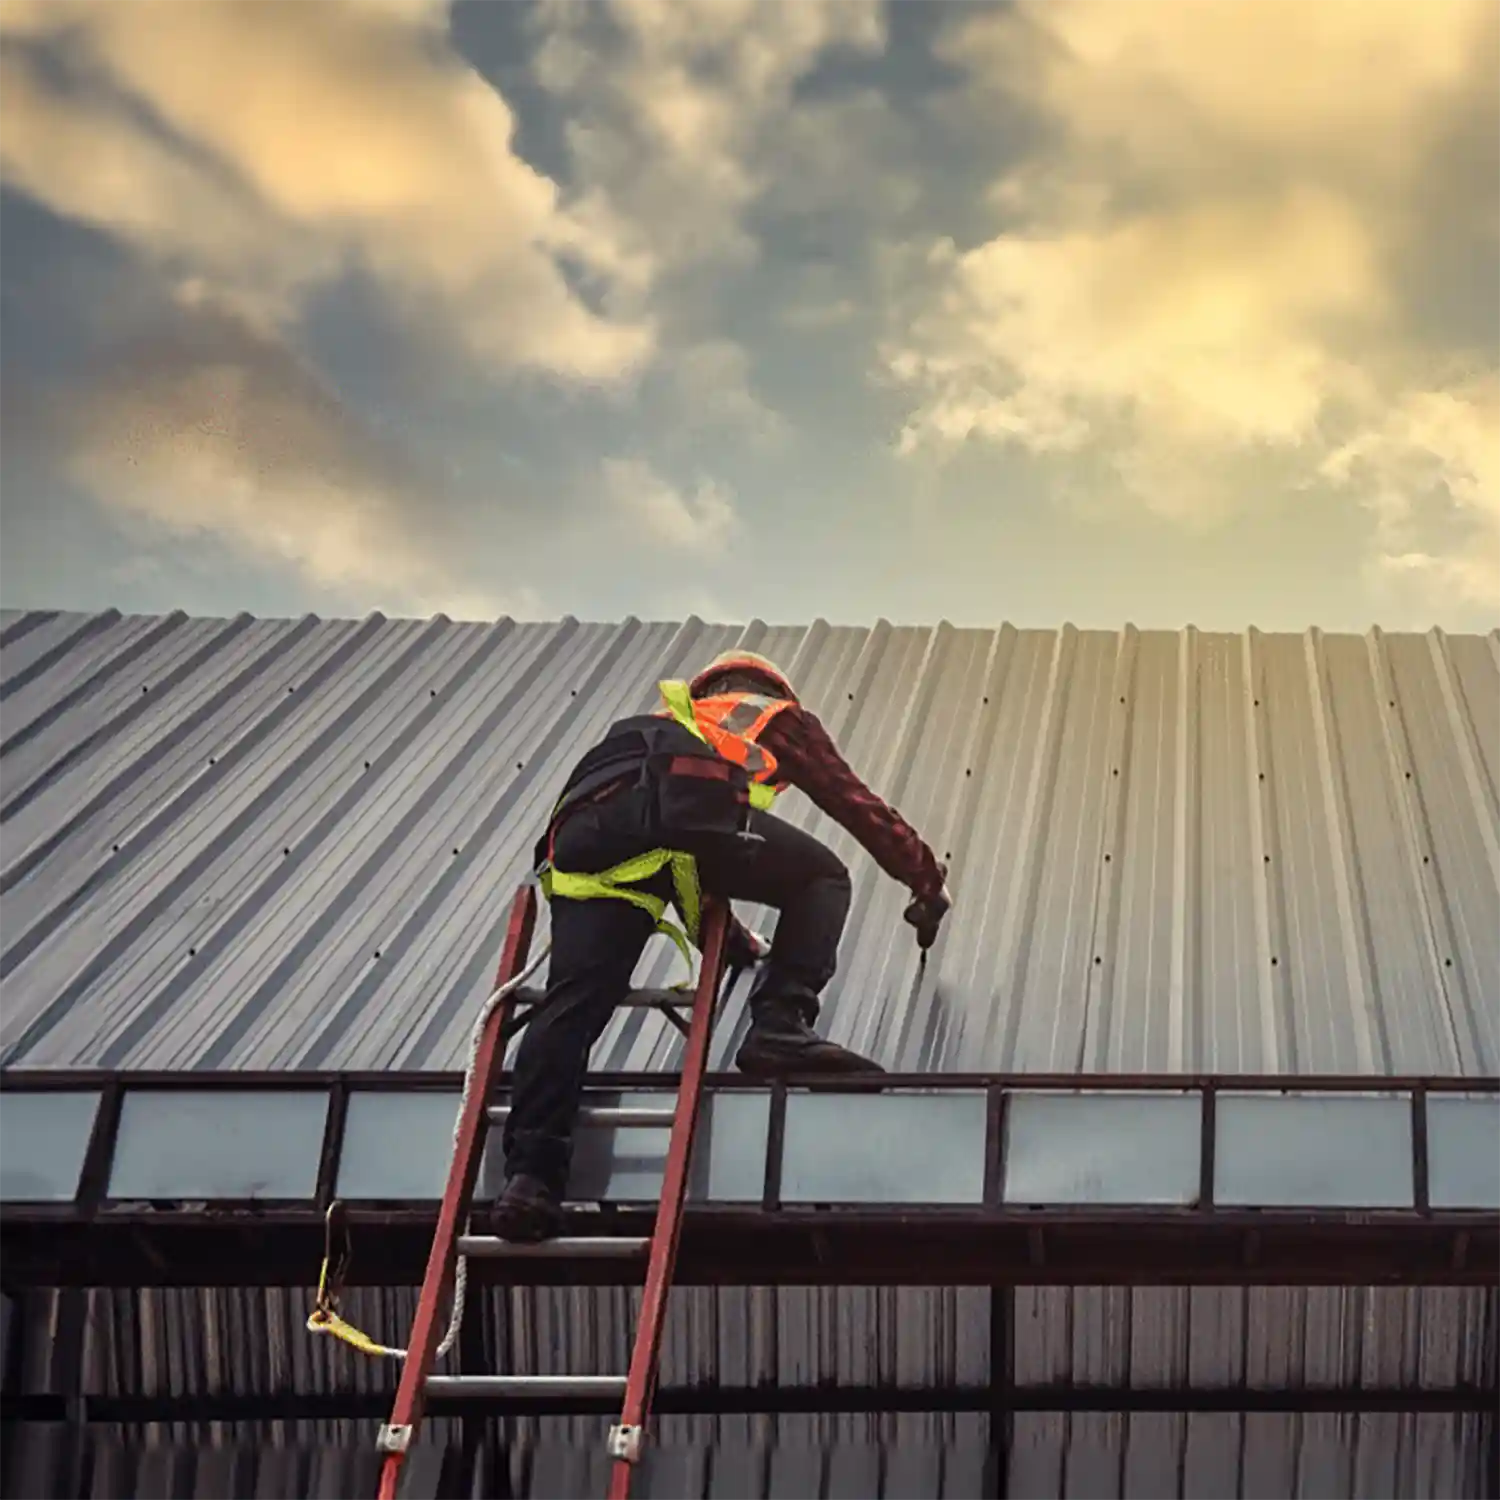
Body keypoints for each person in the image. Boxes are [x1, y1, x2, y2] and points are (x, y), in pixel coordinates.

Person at [492, 649, 952, 1241]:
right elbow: (852, 802)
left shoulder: (665, 729)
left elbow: (685, 859)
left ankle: (529, 1181)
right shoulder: (767, 713)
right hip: (670, 825)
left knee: (572, 1005)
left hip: (587, 845)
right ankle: (781, 1025)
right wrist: (924, 878)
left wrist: (734, 944)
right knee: (822, 876)